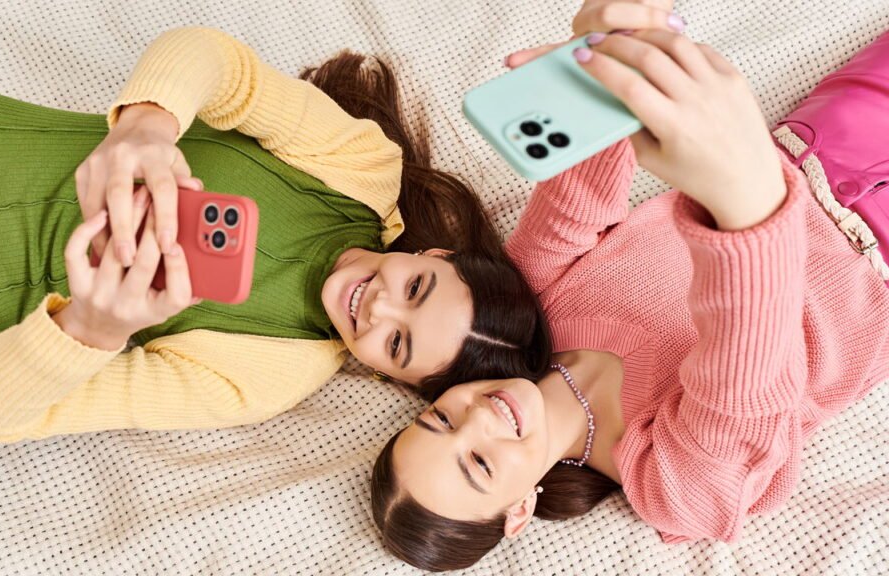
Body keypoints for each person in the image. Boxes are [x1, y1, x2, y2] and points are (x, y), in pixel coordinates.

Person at [369, 1, 889, 571]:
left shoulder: (527, 305)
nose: (478, 418)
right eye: (479, 464)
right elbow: (746, 377)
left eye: (441, 420)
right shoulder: (672, 490)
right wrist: (744, 196)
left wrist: (605, 55)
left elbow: (579, 188)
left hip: (820, 144)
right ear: (519, 511)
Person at [0, 28, 550, 439]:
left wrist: (92, 328)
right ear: (434, 254)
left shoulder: (262, 378)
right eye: (417, 287)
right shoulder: (362, 168)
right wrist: (147, 124)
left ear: (382, 372)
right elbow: (217, 62)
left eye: (396, 343)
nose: (378, 307)